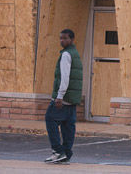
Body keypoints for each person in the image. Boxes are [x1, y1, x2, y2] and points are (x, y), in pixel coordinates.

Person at [44, 29, 83, 164]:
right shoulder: (75, 53)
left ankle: (58, 151)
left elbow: (65, 77)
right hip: (72, 97)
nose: (62, 41)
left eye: (65, 38)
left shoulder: (66, 54)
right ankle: (66, 153)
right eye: (60, 38)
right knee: (68, 125)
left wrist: (59, 96)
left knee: (50, 118)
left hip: (64, 96)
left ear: (72, 40)